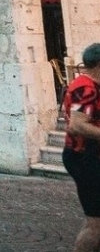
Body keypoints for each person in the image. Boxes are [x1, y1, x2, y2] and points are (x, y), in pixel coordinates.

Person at [60, 43, 100, 252]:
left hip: (90, 157)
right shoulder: (85, 86)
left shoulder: (92, 85)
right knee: (96, 223)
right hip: (84, 159)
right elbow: (76, 125)